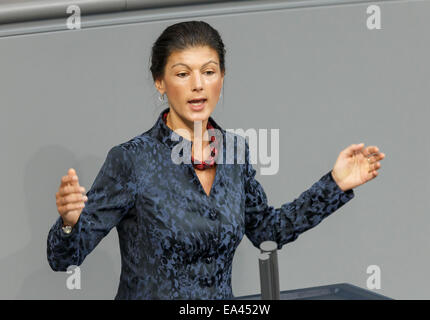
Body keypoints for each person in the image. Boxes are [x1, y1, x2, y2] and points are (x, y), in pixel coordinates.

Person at [47, 21, 386, 300]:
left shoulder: (235, 152)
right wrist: (69, 224)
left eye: (208, 72)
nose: (198, 85)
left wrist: (335, 184)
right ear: (160, 82)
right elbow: (64, 258)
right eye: (182, 74)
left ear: (222, 76)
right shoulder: (131, 160)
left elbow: (269, 230)